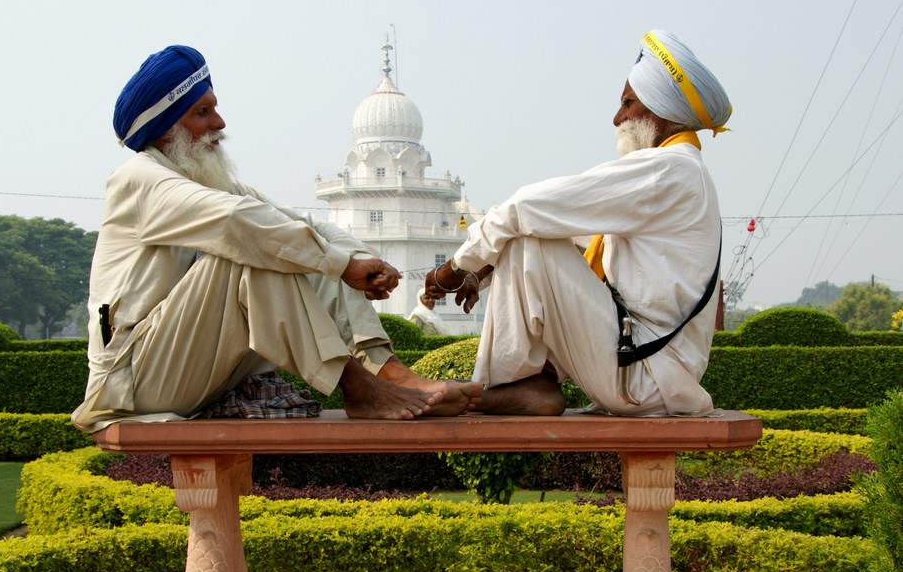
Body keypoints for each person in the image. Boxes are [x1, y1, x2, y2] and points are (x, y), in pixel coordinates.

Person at [72, 45, 481, 433]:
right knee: (255, 250)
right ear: (166, 129)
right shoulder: (138, 180)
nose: (219, 123)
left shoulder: (208, 182)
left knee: (295, 242)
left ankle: (388, 371)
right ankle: (358, 386)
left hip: (192, 372)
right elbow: (241, 226)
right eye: (202, 112)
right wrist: (341, 264)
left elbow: (300, 224)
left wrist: (362, 260)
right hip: (133, 383)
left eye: (214, 109)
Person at [425, 30, 731, 418]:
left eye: (627, 103)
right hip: (650, 370)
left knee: (525, 236)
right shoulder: (682, 173)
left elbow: (524, 207)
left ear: (659, 110)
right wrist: (481, 272)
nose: (617, 118)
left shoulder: (668, 170)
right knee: (529, 234)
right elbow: (571, 233)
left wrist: (453, 269)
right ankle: (522, 385)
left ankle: (506, 388)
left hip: (645, 376)